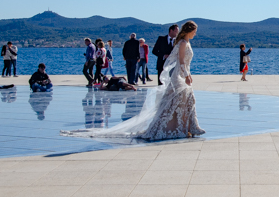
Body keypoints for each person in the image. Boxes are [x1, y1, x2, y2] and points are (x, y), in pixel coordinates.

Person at [61, 21, 205, 140]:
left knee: (184, 101)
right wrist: (187, 75)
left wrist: (187, 74)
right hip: (179, 76)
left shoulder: (186, 42)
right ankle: (179, 127)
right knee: (178, 102)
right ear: (189, 30)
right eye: (194, 31)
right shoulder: (182, 43)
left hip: (183, 75)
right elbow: (181, 61)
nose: (195, 34)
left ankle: (188, 126)